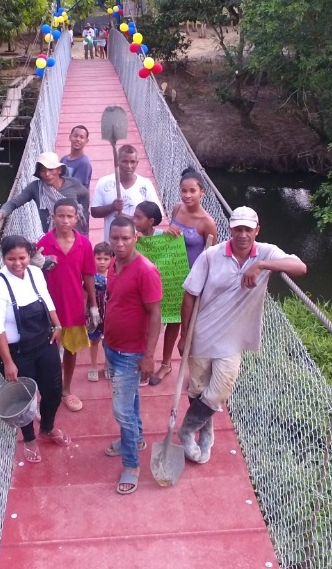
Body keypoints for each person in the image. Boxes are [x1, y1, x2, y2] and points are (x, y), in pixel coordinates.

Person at [178, 207, 307, 464]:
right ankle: (206, 431)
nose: (243, 234)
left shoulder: (267, 252)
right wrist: (184, 336)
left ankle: (186, 430)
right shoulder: (210, 256)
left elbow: (300, 267)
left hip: (233, 340)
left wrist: (261, 265)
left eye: (248, 229)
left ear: (257, 231)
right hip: (203, 332)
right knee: (197, 388)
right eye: (238, 229)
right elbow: (190, 295)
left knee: (218, 393)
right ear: (230, 230)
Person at [0, 235, 73, 463]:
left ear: (29, 256)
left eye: (22, 257)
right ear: (3, 258)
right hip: (16, 352)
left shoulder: (35, 273)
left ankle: (48, 426)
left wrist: (58, 324)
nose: (18, 263)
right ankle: (29, 438)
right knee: (25, 399)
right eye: (11, 259)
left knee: (53, 390)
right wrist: (8, 362)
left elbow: (47, 299)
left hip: (44, 343)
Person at [102, 216, 162, 495]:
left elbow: (155, 315)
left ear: (135, 237)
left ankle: (131, 464)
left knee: (122, 411)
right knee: (131, 400)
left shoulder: (146, 271)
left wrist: (149, 356)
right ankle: (136, 440)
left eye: (126, 238)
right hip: (112, 345)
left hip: (130, 352)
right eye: (115, 238)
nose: (120, 243)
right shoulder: (114, 263)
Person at [157, 168, 221, 379]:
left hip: (193, 281)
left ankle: (195, 376)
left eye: (192, 191)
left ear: (202, 192)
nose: (187, 195)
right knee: (171, 321)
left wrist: (205, 287)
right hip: (172, 274)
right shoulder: (176, 209)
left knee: (190, 329)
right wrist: (168, 231)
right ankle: (166, 364)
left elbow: (212, 258)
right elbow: (170, 239)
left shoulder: (207, 223)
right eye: (184, 191)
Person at [35, 199, 98, 413]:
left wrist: (93, 304)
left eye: (69, 216)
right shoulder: (43, 244)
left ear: (76, 219)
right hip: (48, 308)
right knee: (49, 351)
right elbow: (34, 275)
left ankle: (66, 389)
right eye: (60, 215)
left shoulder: (84, 244)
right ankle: (46, 391)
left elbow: (88, 274)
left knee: (71, 348)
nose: (65, 220)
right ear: (53, 217)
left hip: (73, 305)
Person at [132, 201, 190, 386]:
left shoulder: (164, 236)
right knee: (144, 324)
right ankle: (143, 361)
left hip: (169, 286)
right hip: (146, 289)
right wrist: (132, 239)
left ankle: (166, 364)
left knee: (173, 320)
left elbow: (174, 247)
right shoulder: (134, 238)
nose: (134, 220)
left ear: (150, 221)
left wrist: (172, 233)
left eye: (138, 217)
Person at [0, 151, 89, 235]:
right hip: (52, 237)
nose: (47, 174)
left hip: (75, 234)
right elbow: (14, 203)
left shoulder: (73, 183)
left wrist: (83, 214)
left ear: (59, 170)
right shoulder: (35, 187)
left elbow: (85, 195)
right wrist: (0, 214)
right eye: (43, 171)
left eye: (50, 170)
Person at [91, 145, 159, 243]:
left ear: (137, 163)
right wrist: (111, 207)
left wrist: (129, 219)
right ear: (117, 162)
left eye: (132, 162)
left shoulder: (145, 184)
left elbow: (156, 217)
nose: (129, 166)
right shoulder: (104, 182)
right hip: (111, 245)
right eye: (124, 161)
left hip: (138, 246)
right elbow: (94, 211)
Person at [86, 242, 111, 382]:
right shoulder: (90, 276)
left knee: (108, 341)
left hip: (109, 314)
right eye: (98, 258)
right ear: (93, 258)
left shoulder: (114, 274)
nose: (102, 262)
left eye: (105, 259)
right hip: (94, 314)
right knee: (94, 340)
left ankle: (108, 365)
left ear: (111, 259)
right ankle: (93, 366)